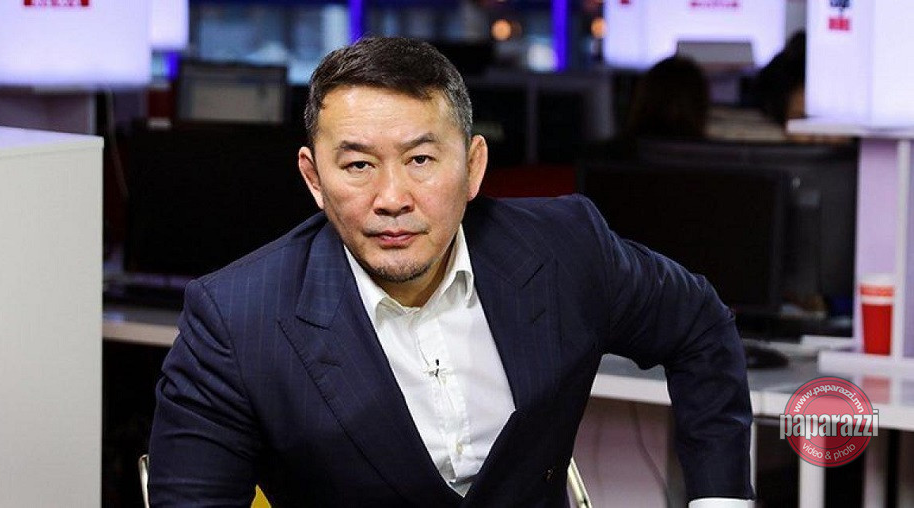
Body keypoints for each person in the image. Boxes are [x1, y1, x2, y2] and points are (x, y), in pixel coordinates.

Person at [149, 36, 753, 507]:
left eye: (420, 159)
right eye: (358, 166)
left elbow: (700, 325)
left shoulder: (565, 249)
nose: (392, 198)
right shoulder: (236, 321)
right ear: (314, 178)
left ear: (473, 166)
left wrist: (719, 498)